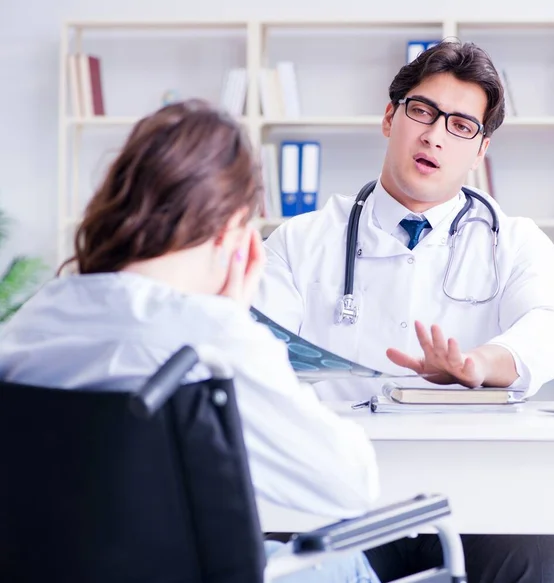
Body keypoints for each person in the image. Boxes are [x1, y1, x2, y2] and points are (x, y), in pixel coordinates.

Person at [0, 99, 382, 583]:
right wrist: (235, 322)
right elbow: (350, 488)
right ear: (232, 230)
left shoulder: (33, 319)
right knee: (346, 561)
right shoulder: (214, 338)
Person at [253, 40, 554, 583]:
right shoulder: (301, 241)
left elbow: (553, 329)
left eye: (461, 125)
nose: (434, 134)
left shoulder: (517, 243)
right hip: (343, 500)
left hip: (482, 496)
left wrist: (483, 363)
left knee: (543, 563)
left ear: (480, 150)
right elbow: (257, 346)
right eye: (423, 112)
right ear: (390, 117)